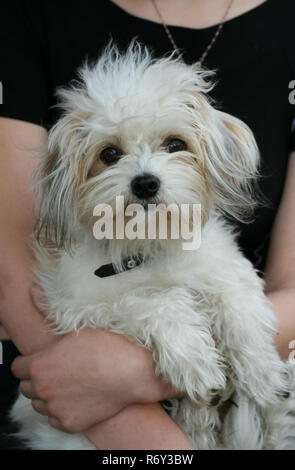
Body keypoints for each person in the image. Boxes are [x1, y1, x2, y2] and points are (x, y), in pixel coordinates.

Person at [0, 0, 295, 449]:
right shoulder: (27, 15)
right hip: (80, 420)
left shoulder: (211, 248)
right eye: (110, 154)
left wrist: (139, 371)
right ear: (73, 176)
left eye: (173, 144)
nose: (145, 176)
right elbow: (28, 283)